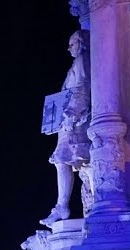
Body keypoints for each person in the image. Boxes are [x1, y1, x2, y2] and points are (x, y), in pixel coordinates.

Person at [41, 29, 92, 227]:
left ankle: (62, 206)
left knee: (64, 160)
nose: (69, 48)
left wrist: (72, 114)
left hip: (75, 121)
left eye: (72, 44)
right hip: (73, 121)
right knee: (79, 163)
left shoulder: (82, 60)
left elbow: (83, 87)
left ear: (81, 43)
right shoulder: (79, 62)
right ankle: (64, 205)